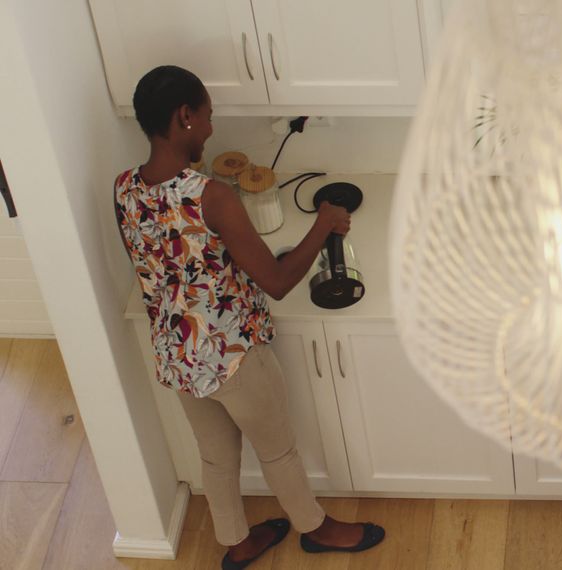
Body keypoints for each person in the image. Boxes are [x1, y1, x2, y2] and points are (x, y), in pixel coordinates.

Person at [113, 65, 384, 570]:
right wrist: (324, 223)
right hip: (233, 355)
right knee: (278, 451)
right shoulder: (209, 196)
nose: (212, 129)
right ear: (185, 116)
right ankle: (316, 529)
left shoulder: (124, 187)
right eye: (208, 117)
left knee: (215, 457)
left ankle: (236, 542)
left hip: (178, 356)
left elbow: (167, 264)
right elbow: (277, 283)